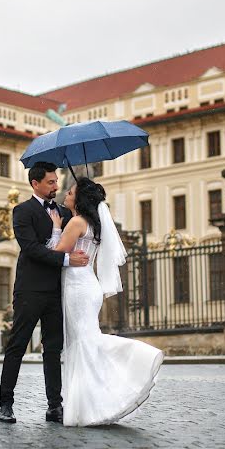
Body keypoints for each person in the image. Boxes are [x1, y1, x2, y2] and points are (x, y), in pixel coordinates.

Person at [49, 177, 164, 426]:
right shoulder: (94, 224)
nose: (65, 195)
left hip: (77, 286)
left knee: (84, 343)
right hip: (89, 284)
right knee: (86, 342)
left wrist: (57, 228)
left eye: (69, 192)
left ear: (78, 199)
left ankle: (137, 360)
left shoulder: (76, 222)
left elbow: (57, 253)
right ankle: (92, 404)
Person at [0, 161, 89, 424]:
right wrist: (65, 260)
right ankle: (6, 404)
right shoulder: (22, 211)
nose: (56, 186)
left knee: (52, 349)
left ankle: (54, 406)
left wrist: (85, 195)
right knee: (17, 346)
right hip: (29, 289)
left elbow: (82, 230)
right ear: (34, 184)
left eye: (57, 181)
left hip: (57, 291)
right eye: (50, 182)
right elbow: (32, 249)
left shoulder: (64, 211)